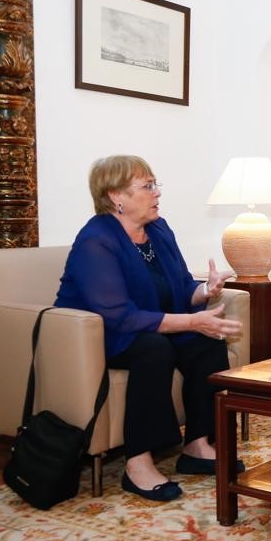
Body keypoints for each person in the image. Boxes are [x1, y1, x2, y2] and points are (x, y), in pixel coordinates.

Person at [55, 155, 243, 502]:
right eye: (147, 186)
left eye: (156, 184)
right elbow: (119, 317)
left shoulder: (158, 229)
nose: (157, 193)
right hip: (99, 336)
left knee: (207, 341)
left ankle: (198, 445)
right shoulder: (96, 240)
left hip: (148, 326)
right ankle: (139, 461)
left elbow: (180, 286)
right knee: (156, 349)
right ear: (115, 196)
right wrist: (190, 321)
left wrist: (207, 290)